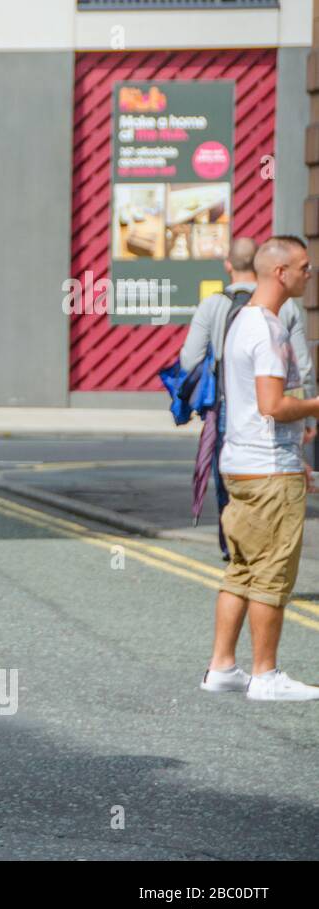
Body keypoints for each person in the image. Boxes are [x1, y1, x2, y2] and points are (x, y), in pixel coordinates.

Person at [201, 236, 319, 701]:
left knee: (243, 570)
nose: (309, 275)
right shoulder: (269, 329)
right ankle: (265, 676)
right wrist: (314, 406)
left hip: (242, 464)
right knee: (273, 573)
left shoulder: (242, 322)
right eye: (304, 267)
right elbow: (272, 404)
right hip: (269, 469)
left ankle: (223, 667)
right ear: (280, 273)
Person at [179, 236, 316, 559]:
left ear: (228, 265)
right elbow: (304, 368)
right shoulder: (281, 311)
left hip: (228, 411)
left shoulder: (213, 306)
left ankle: (233, 549)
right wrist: (307, 416)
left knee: (231, 489)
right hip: (274, 427)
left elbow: (189, 359)